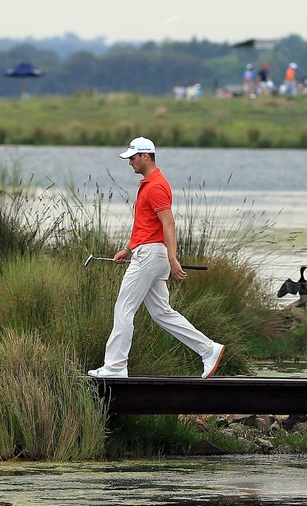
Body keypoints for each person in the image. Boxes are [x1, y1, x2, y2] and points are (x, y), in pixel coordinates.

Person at [88, 137, 226, 379]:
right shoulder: (148, 184)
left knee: (123, 308)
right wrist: (128, 248)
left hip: (151, 256)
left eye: (132, 157)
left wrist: (173, 259)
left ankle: (115, 366)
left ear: (146, 156)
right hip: (147, 252)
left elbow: (168, 223)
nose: (129, 162)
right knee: (162, 312)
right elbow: (147, 225)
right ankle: (209, 349)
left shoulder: (156, 186)